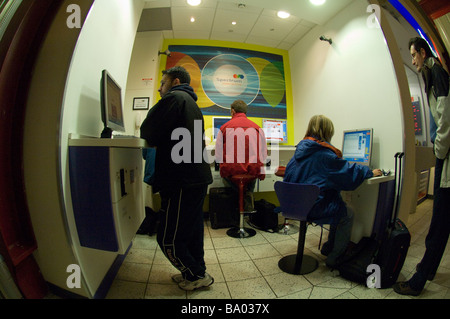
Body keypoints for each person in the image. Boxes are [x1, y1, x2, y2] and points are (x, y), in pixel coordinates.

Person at [140, 66, 214, 291]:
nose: (160, 89)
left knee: (168, 237)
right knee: (191, 233)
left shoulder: (174, 98)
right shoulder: (191, 103)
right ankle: (194, 271)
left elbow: (147, 132)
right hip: (195, 178)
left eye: (162, 83)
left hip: (181, 180)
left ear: (175, 81)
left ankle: (194, 275)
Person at [284, 115, 382, 268]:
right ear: (328, 132)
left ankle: (328, 247)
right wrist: (369, 172)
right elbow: (349, 174)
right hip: (312, 208)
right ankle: (335, 257)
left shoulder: (298, 152)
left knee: (337, 202)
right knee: (347, 213)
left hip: (292, 206)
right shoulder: (325, 155)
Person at [393, 38, 450, 296]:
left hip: (447, 159)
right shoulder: (433, 73)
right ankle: (426, 270)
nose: (413, 60)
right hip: (445, 156)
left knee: (439, 222)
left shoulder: (436, 71)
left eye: (413, 55)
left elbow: (445, 118)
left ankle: (419, 281)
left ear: (422, 53)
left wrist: (439, 152)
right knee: (442, 222)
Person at [215, 100, 267, 212]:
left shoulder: (224, 128)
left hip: (232, 173)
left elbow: (218, 155)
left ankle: (238, 204)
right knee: (251, 179)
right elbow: (264, 154)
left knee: (230, 179)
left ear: (233, 111)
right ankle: (247, 198)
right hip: (252, 172)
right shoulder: (258, 128)